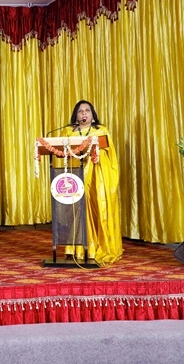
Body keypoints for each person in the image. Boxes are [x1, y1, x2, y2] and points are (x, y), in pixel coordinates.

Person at [62, 100, 122, 266]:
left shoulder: (101, 131)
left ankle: (100, 247)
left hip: (98, 177)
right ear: (76, 116)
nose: (84, 113)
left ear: (92, 115)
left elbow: (111, 154)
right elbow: (62, 151)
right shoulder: (68, 132)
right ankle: (79, 249)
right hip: (77, 175)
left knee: (97, 208)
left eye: (87, 110)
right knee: (79, 209)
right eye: (80, 111)